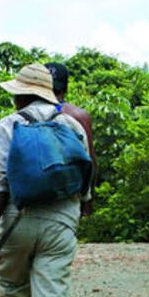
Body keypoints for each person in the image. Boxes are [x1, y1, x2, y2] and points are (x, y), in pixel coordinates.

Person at [0, 63, 88, 297]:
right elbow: (85, 179)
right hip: (62, 223)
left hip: (18, 219)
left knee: (11, 285)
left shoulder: (9, 124)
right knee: (52, 295)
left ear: (23, 96)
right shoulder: (73, 125)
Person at [44, 62, 97, 216]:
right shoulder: (79, 115)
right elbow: (90, 160)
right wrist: (88, 199)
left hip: (31, 192)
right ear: (65, 87)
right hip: (68, 193)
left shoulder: (24, 113)